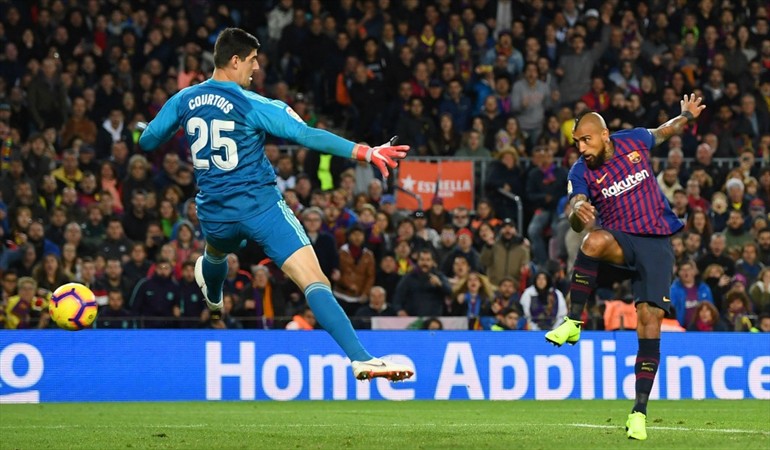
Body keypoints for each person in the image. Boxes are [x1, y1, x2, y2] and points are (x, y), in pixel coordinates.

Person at [138, 28, 412, 381]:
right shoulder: (254, 104)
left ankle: (213, 294)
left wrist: (162, 125)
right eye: (252, 61)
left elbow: (148, 141)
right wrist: (365, 152)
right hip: (261, 209)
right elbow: (306, 135)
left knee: (216, 252)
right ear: (235, 60)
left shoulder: (184, 99)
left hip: (214, 213)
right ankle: (360, 358)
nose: (256, 68)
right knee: (314, 281)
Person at [545, 94, 706, 440]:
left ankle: (639, 413)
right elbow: (577, 209)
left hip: (656, 243)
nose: (581, 148)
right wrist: (577, 213)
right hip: (621, 240)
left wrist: (686, 116)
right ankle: (573, 322)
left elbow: (663, 131)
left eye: (586, 140)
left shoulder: (633, 140)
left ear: (604, 135)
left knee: (649, 322)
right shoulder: (580, 171)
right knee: (591, 241)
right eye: (577, 142)